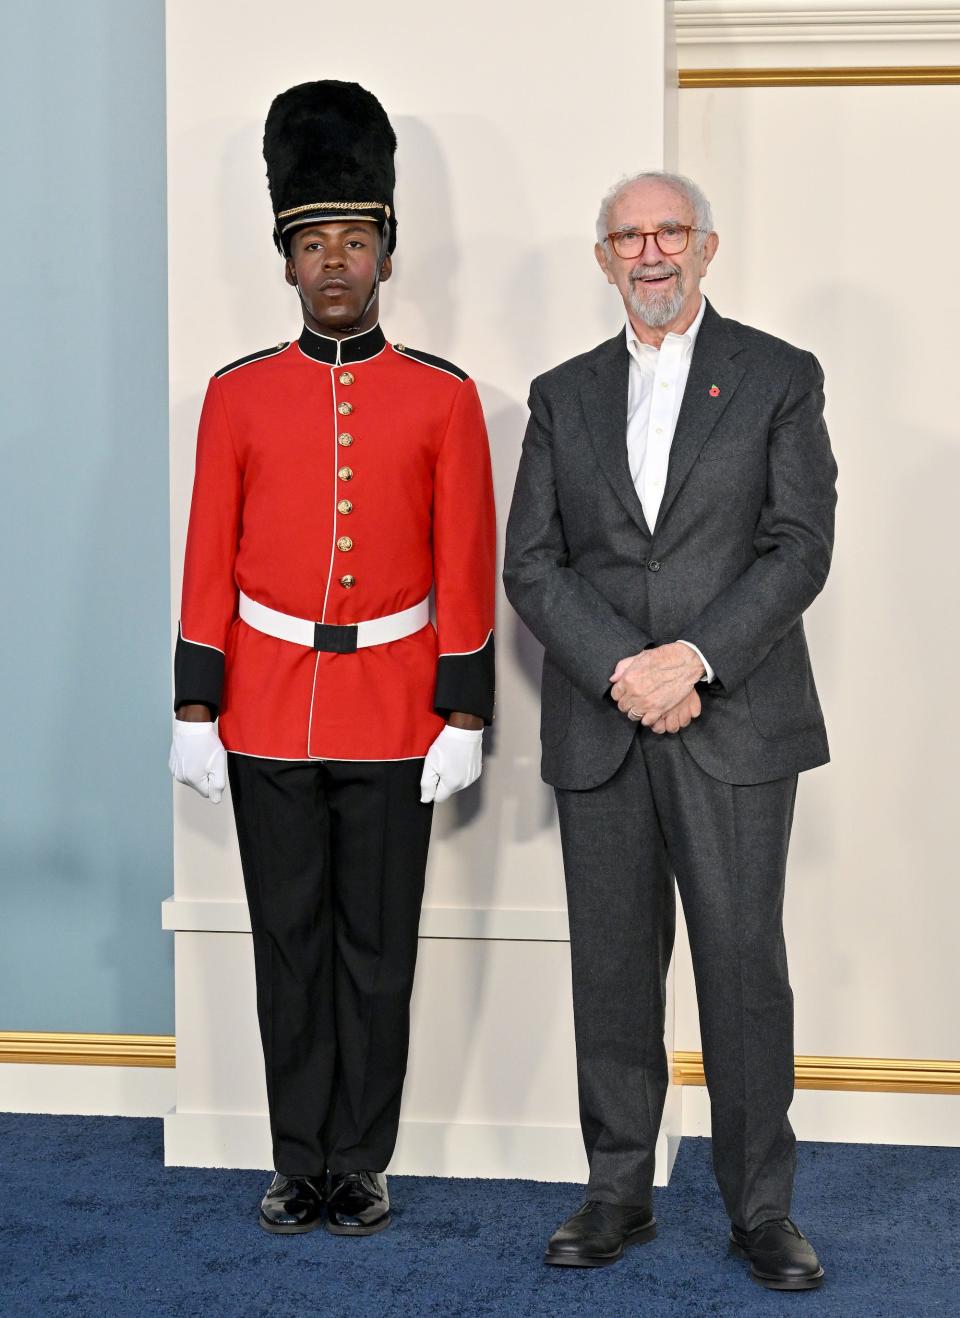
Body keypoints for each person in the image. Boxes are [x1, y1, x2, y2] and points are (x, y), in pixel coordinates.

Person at [169, 80, 496, 1237]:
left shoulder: (444, 400)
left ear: (388, 256)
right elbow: (211, 548)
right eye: (315, 243)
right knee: (287, 950)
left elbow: (466, 561)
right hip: (262, 706)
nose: (336, 262)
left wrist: (464, 715)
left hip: (396, 709)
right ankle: (293, 1155)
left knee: (377, 953)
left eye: (357, 240)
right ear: (288, 262)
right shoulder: (238, 396)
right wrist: (195, 701)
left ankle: (360, 1158)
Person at [503, 170, 836, 1290]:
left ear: (708, 247)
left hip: (732, 717)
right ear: (604, 258)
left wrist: (690, 661)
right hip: (603, 728)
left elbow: (798, 545)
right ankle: (616, 1191)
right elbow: (533, 564)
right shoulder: (561, 395)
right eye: (628, 236)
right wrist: (620, 670)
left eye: (670, 233)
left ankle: (760, 1209)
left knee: (744, 968)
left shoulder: (781, 377)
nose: (650, 253)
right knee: (611, 968)